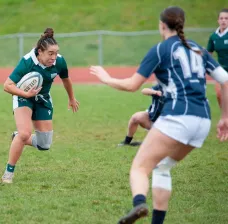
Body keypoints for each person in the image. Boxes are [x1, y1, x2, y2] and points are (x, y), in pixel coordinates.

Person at [89, 6, 228, 224]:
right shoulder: (198, 49)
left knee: (139, 168)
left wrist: (106, 79)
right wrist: (225, 117)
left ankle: (138, 205)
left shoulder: (161, 49)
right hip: (203, 120)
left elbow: (133, 85)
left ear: (162, 25)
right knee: (162, 166)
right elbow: (225, 79)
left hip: (178, 117)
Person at [1, 28, 80, 184]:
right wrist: (26, 94)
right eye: (50, 53)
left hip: (43, 98)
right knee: (25, 133)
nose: (54, 57)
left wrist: (71, 98)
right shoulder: (27, 62)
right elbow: (7, 85)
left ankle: (17, 137)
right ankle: (8, 173)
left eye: (56, 53)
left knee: (44, 145)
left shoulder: (59, 61)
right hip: (24, 97)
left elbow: (66, 79)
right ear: (40, 52)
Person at [207, 8, 228, 108]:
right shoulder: (213, 37)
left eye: (226, 18)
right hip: (222, 71)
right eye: (221, 18)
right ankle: (225, 118)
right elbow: (208, 54)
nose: (224, 20)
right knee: (220, 95)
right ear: (218, 20)